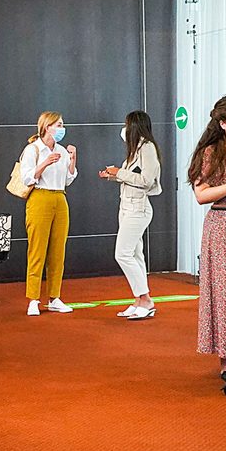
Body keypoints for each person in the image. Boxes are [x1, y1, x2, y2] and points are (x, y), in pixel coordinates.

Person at [188, 94, 226, 383]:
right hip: (222, 226)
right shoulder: (211, 153)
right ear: (222, 123)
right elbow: (201, 195)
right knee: (224, 291)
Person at [99, 110, 162, 319]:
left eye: (127, 125)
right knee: (135, 254)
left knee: (122, 254)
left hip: (138, 208)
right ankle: (139, 300)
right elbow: (131, 178)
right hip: (127, 206)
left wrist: (119, 172)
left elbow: (146, 180)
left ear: (134, 127)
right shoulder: (135, 150)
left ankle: (145, 299)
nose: (124, 129)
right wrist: (112, 176)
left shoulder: (147, 148)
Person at [20, 111, 78, 316]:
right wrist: (45, 163)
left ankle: (54, 297)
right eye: (58, 125)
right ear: (47, 127)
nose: (62, 128)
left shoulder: (62, 150)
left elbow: (69, 179)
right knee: (37, 250)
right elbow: (26, 178)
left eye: (62, 125)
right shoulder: (33, 149)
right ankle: (33, 299)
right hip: (40, 197)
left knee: (58, 251)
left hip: (60, 198)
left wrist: (72, 159)